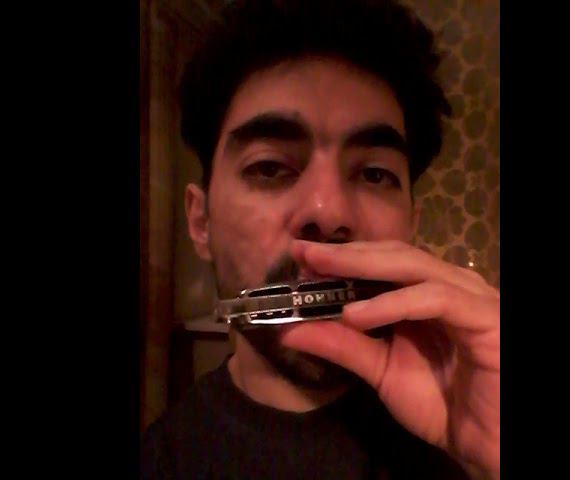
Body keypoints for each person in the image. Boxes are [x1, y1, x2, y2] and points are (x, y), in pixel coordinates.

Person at [142, 0, 500, 478]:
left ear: (410, 228)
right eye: (269, 167)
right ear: (201, 222)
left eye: (374, 174)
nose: (328, 213)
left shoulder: (468, 446)